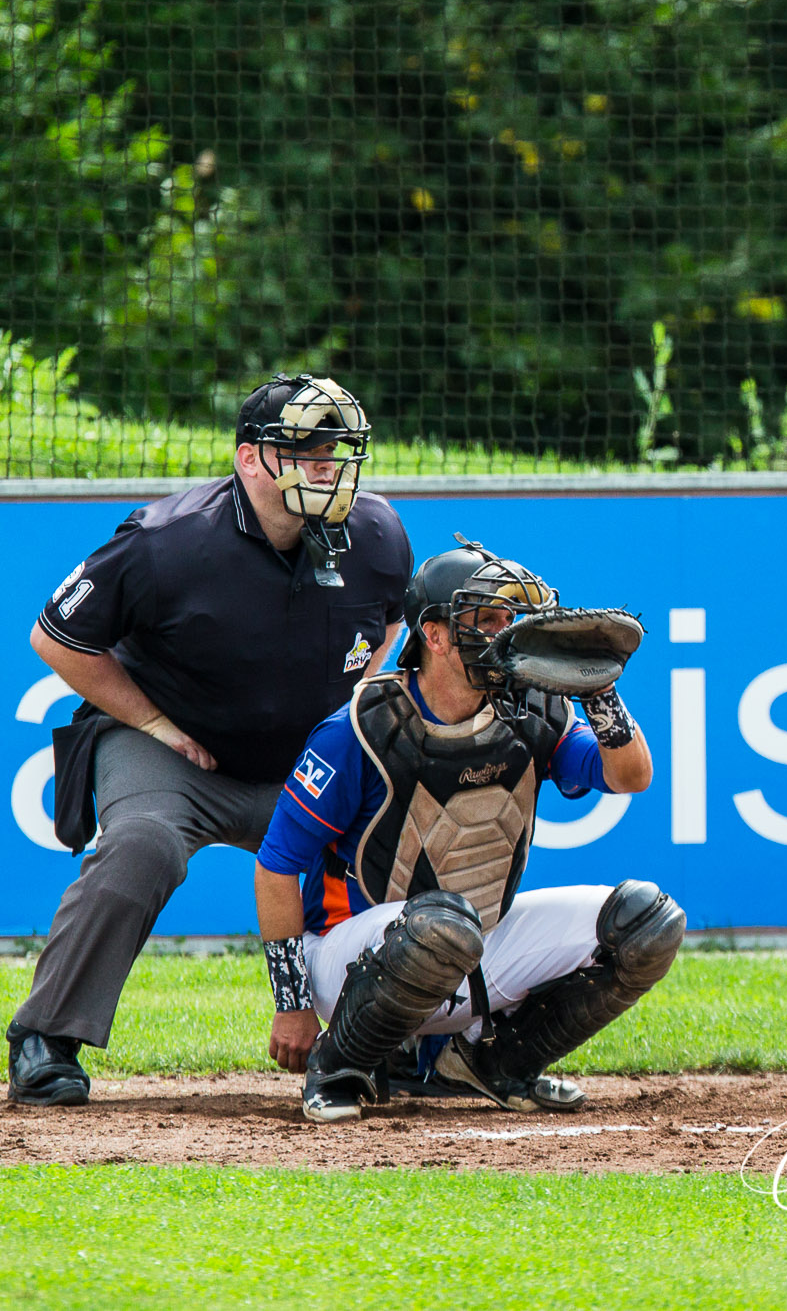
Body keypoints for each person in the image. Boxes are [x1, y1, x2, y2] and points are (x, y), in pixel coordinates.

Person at [8, 376, 410, 1107]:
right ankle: (44, 1038)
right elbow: (57, 635)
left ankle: (408, 1042)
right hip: (173, 749)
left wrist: (347, 711)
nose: (328, 467)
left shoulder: (377, 534)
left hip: (300, 760)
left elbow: (389, 622)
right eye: (306, 450)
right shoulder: (168, 541)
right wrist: (156, 725)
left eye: (338, 451)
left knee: (402, 834)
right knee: (145, 844)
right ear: (251, 458)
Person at [251, 538, 681, 1123]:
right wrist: (294, 1006)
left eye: (509, 618)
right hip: (348, 956)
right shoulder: (361, 728)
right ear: (434, 634)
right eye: (485, 619)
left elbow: (630, 775)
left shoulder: (531, 708)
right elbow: (276, 866)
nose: (505, 633)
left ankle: (488, 1063)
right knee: (443, 921)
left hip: (471, 943)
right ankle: (340, 1064)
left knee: (648, 922)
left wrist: (599, 693)